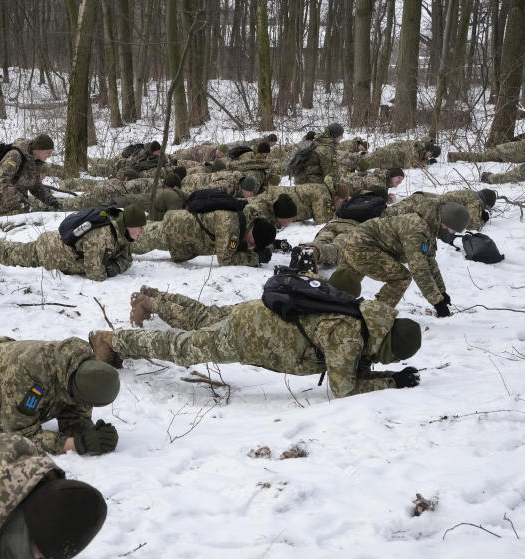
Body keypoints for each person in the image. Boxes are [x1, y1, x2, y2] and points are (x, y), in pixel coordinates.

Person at [93, 277, 423, 399]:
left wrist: (389, 377)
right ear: (387, 346)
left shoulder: (365, 315)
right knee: (183, 349)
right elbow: (343, 388)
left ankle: (154, 301)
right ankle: (113, 340)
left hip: (258, 314)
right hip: (250, 336)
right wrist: (391, 382)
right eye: (389, 358)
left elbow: (353, 370)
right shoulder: (350, 337)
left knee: (204, 318)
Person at [0, 336, 121, 455]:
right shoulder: (29, 375)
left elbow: (74, 415)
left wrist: (92, 435)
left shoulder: (77, 368)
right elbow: (19, 433)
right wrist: (73, 445)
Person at [335, 202, 469, 313]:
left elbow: (429, 261)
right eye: (451, 230)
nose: (451, 233)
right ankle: (376, 314)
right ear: (443, 221)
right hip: (363, 246)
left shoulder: (428, 225)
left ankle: (333, 311)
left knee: (341, 291)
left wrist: (442, 292)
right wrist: (437, 302)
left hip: (359, 240)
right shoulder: (417, 230)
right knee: (401, 277)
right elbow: (419, 269)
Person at [0, 204, 145, 281]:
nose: (141, 232)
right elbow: (95, 274)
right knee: (11, 254)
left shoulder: (122, 234)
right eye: (138, 228)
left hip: (56, 246)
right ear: (128, 225)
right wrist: (111, 270)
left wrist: (116, 266)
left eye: (143, 228)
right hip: (49, 253)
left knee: (15, 249)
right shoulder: (103, 237)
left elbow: (127, 259)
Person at [130, 199, 283, 266]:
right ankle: (112, 236)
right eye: (254, 242)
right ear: (254, 233)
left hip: (179, 225)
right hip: (175, 233)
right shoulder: (232, 227)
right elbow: (225, 259)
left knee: (144, 228)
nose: (251, 245)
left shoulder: (247, 216)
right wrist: (255, 258)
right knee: (133, 242)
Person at [0, 134, 60, 215]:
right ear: (39, 149)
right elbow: (1, 181)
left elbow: (36, 187)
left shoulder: (36, 162)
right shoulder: (15, 156)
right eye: (48, 152)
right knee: (25, 213)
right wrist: (21, 200)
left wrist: (53, 202)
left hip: (18, 199)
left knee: (32, 212)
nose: (49, 155)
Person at [292, 122, 343, 188]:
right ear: (335, 135)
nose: (342, 137)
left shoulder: (316, 141)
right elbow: (330, 174)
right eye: (341, 135)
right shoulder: (326, 149)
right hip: (312, 186)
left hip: (300, 182)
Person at [448, 134, 525, 163]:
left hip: (505, 156)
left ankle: (455, 156)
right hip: (502, 152)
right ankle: (454, 155)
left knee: (480, 157)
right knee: (480, 157)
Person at [360, 139, 441, 171]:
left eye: (430, 157)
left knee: (363, 162)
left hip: (388, 157)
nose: (428, 157)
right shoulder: (416, 148)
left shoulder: (420, 149)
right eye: (430, 155)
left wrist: (426, 162)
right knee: (362, 165)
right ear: (429, 150)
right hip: (386, 157)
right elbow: (410, 164)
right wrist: (425, 163)